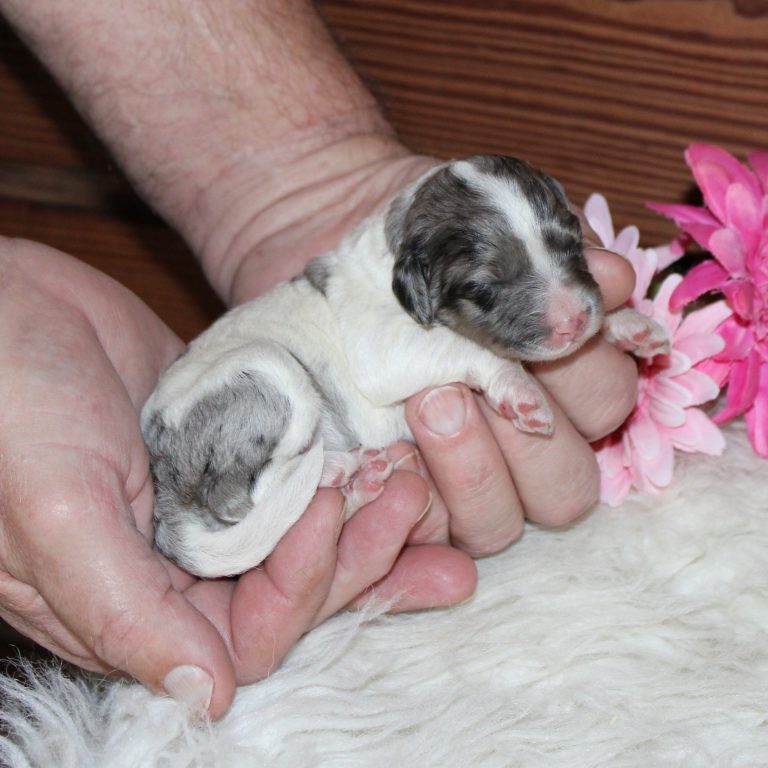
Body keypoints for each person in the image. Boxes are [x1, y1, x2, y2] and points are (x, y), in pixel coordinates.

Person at [0, 0, 638, 718]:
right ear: (417, 283)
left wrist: (621, 326)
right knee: (285, 389)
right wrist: (493, 369)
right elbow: (387, 369)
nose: (566, 307)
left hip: (255, 460)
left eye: (564, 244)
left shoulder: (395, 272)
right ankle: (261, 498)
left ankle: (292, 489)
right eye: (497, 285)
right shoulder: (375, 299)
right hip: (210, 457)